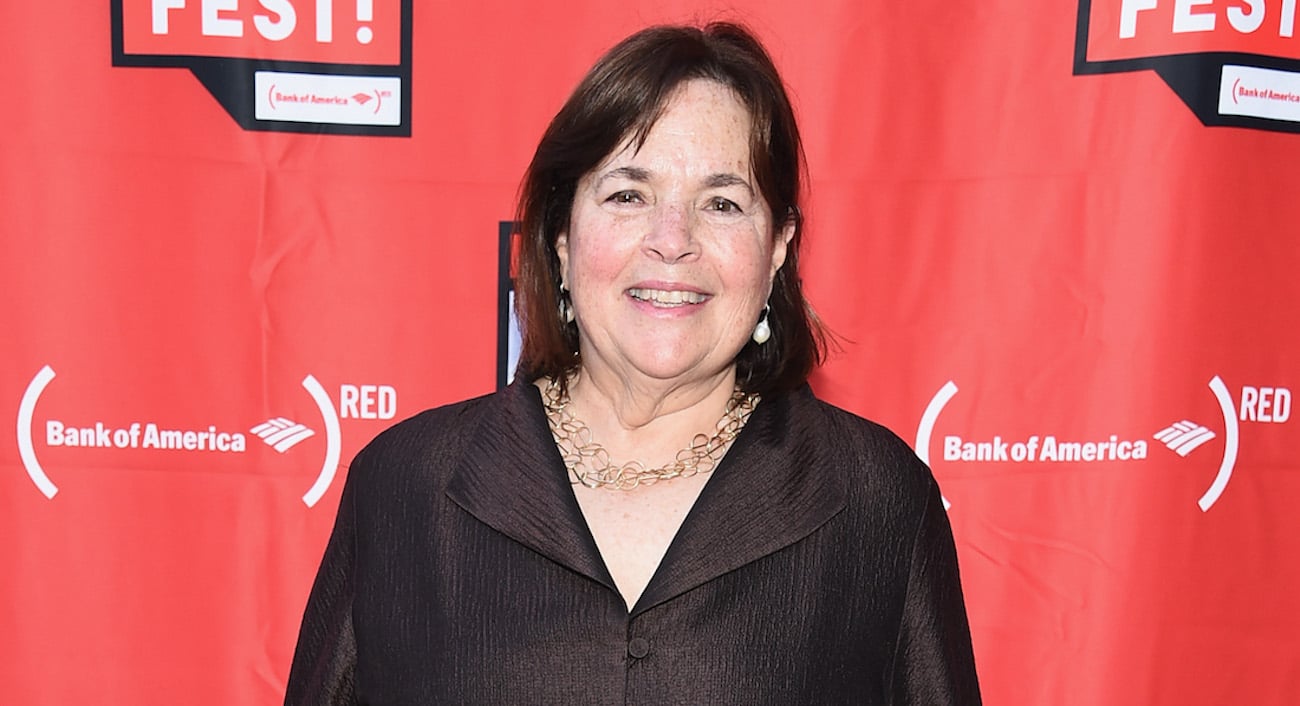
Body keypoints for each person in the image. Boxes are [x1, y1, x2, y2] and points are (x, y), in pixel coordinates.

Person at [284, 22, 981, 705]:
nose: (672, 241)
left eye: (722, 203)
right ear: (560, 235)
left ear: (776, 250)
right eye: (628, 195)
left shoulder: (876, 500)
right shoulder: (406, 488)